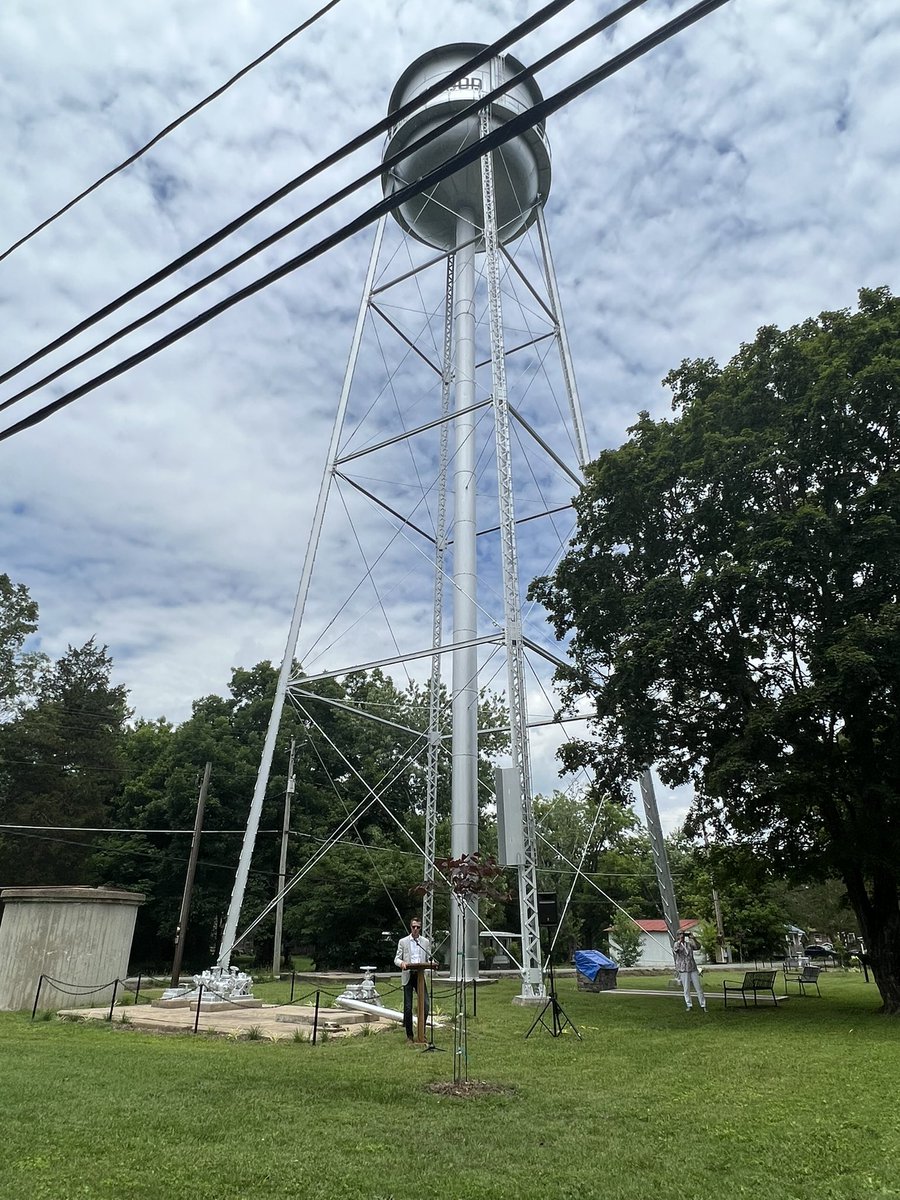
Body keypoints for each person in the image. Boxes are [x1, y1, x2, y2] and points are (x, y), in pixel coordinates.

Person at [395, 917, 431, 1042]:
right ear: (410, 927)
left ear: (420, 928)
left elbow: (428, 957)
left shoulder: (425, 942)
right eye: (413, 927)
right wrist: (402, 963)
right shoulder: (403, 941)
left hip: (420, 976)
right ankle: (410, 1035)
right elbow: (396, 958)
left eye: (418, 927)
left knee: (426, 1005)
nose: (415, 929)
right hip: (408, 975)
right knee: (408, 1006)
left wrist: (432, 963)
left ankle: (422, 1032)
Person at [673, 928, 706, 1011]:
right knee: (686, 988)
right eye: (680, 934)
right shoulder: (676, 944)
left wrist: (693, 938)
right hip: (683, 968)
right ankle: (689, 1004)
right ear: (677, 936)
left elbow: (698, 947)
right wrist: (680, 941)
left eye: (683, 934)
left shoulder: (689, 944)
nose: (682, 936)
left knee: (698, 987)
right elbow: (676, 950)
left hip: (692, 967)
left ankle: (703, 1004)